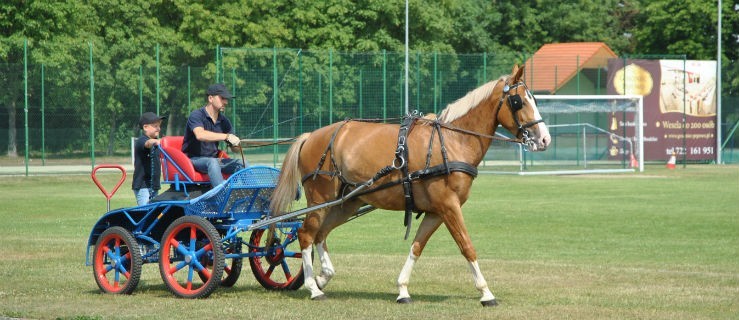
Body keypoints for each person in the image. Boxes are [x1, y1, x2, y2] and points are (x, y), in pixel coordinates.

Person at [182, 83, 244, 186]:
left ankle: (250, 194)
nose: (226, 102)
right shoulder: (196, 115)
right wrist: (226, 136)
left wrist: (236, 143)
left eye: (227, 99)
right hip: (194, 160)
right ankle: (222, 195)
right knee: (212, 162)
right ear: (210, 98)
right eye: (222, 98)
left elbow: (235, 150)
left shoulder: (224, 121)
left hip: (214, 161)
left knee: (243, 163)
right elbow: (200, 135)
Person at [133, 112, 166, 205]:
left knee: (153, 213)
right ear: (145, 127)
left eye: (159, 126)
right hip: (143, 185)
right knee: (146, 212)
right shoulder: (141, 141)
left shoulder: (156, 143)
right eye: (155, 126)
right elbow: (148, 143)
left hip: (154, 185)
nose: (158, 128)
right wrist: (157, 142)